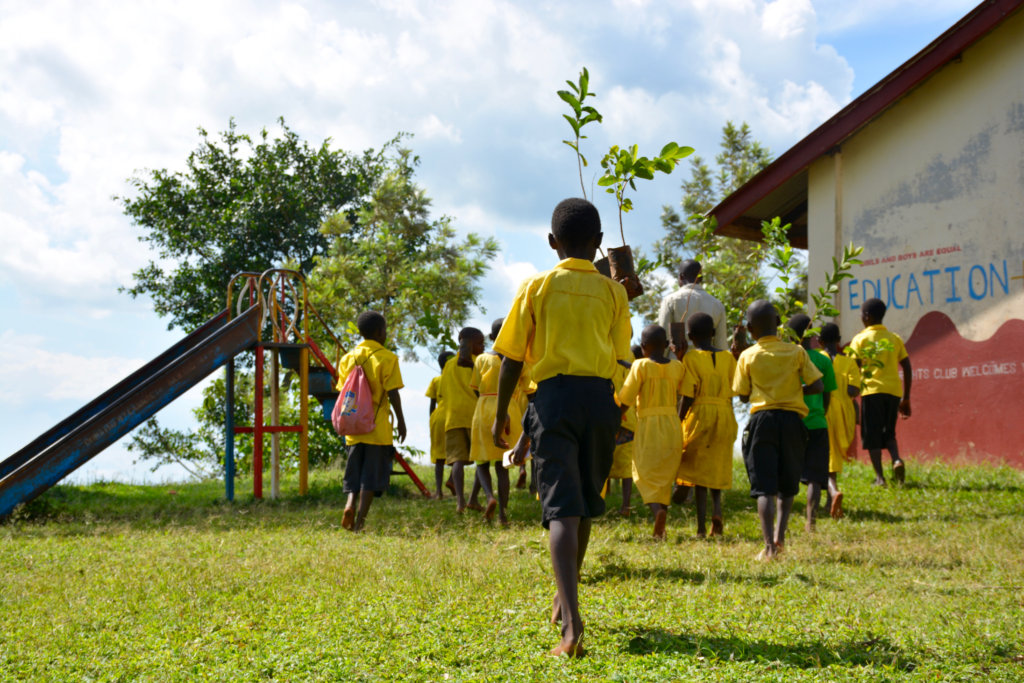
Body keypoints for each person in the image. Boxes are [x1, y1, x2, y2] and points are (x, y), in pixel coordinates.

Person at [491, 197, 631, 657]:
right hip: (600, 400)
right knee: (585, 503)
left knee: (561, 510)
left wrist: (500, 414)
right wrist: (617, 410)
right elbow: (623, 359)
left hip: (553, 399)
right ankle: (565, 596)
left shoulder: (537, 286)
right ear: (599, 242)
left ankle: (571, 629)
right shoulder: (614, 292)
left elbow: (511, 357)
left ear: (553, 242)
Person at [732, 300, 823, 560]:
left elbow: (742, 395)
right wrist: (795, 389)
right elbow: (817, 386)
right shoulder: (796, 351)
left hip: (762, 422)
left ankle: (768, 548)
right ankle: (779, 539)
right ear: (779, 324)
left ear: (750, 328)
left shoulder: (748, 355)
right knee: (788, 484)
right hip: (793, 421)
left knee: (764, 488)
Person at [336, 311, 407, 532]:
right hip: (377, 427)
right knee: (370, 477)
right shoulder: (387, 358)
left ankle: (349, 503)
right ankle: (359, 522)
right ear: (379, 332)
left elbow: (343, 391)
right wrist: (401, 421)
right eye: (384, 330)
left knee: (354, 472)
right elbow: (393, 393)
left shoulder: (348, 358)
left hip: (353, 427)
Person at [616, 324, 687, 540]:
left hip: (648, 425)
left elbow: (626, 398)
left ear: (643, 346)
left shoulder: (640, 366)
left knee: (642, 473)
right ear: (666, 345)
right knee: (664, 474)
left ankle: (658, 512)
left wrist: (616, 417)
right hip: (673, 425)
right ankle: (660, 530)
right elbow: (686, 390)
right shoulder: (678, 367)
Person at [676, 312, 738, 538]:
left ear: (689, 336)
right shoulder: (728, 358)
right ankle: (717, 510)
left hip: (701, 415)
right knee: (717, 466)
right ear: (713, 333)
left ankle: (702, 528)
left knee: (699, 473)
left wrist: (678, 420)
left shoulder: (691, 358)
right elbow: (735, 390)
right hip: (725, 414)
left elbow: (688, 396)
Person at [469, 318, 530, 525]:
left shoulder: (481, 359)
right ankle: (503, 515)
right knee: (502, 467)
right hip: (509, 408)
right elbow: (528, 388)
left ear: (491, 337)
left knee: (481, 462)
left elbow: (476, 388)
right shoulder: (519, 361)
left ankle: (489, 497)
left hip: (484, 407)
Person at [848, 298, 912, 486]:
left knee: (872, 436)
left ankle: (880, 478)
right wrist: (906, 397)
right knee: (889, 433)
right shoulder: (894, 338)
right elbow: (907, 366)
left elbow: (853, 368)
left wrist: (851, 393)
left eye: (861, 314)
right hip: (893, 392)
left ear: (867, 317)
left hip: (871, 392)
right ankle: (896, 460)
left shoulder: (860, 340)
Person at [785, 314, 837, 532]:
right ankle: (811, 522)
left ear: (790, 335)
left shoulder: (786, 358)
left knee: (787, 474)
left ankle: (782, 523)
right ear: (812, 334)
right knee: (814, 477)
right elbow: (827, 394)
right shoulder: (824, 360)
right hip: (817, 423)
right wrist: (821, 413)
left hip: (792, 421)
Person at [441, 326, 485, 512]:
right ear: (470, 344)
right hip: (474, 415)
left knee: (457, 460)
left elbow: (442, 392)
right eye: (480, 343)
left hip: (452, 418)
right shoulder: (478, 362)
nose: (483, 347)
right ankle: (473, 499)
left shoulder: (448, 365)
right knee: (482, 459)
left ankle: (460, 502)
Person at [820, 322, 860, 518]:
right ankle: (830, 500)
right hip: (843, 412)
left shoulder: (817, 358)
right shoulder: (850, 362)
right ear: (839, 340)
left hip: (824, 408)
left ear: (819, 341)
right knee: (833, 453)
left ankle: (833, 493)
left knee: (827, 454)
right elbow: (854, 390)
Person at [657, 259, 728, 354]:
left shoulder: (670, 300)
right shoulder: (717, 304)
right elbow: (721, 345)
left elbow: (662, 340)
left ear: (681, 277)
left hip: (678, 361)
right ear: (701, 278)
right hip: (706, 361)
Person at [607, 347, 638, 517]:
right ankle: (626, 506)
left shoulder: (604, 349)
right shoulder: (629, 355)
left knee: (602, 457)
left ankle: (601, 500)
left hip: (608, 411)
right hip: (628, 413)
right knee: (626, 463)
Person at [425, 350, 455, 500]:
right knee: (458, 454)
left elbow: (432, 404)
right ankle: (452, 480)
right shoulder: (457, 380)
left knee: (439, 457)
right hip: (454, 416)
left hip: (437, 418)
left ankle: (438, 492)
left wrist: (431, 420)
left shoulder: (436, 380)